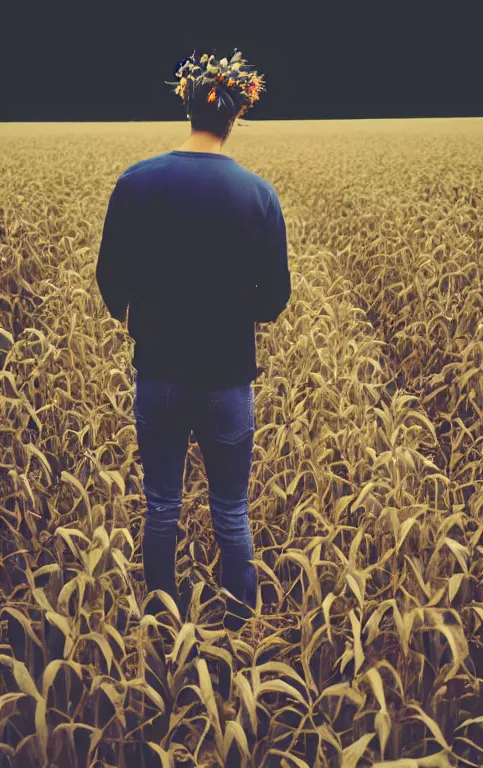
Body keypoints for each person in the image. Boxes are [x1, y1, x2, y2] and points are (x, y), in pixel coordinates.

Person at [95, 48, 291, 628]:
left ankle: (160, 627)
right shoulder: (258, 194)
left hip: (156, 373)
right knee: (231, 512)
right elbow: (275, 297)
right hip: (228, 378)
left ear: (188, 108)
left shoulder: (137, 181)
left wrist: (138, 316)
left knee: (161, 508)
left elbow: (110, 277)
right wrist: (234, 315)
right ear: (237, 116)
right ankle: (240, 633)